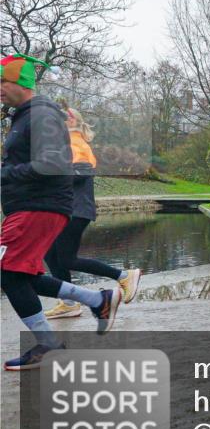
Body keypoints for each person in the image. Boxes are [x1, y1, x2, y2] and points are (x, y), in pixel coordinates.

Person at [1, 55, 122, 371]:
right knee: (23, 275)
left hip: (37, 206)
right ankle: (98, 300)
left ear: (21, 83)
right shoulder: (26, 116)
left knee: (8, 273)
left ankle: (49, 345)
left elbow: (52, 164)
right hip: (30, 207)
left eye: (3, 82)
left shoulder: (40, 114)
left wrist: (5, 174)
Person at [44, 107, 141, 319]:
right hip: (69, 209)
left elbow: (79, 173)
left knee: (67, 259)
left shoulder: (75, 143)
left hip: (75, 210)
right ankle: (69, 302)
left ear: (70, 122)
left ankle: (124, 275)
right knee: (51, 254)